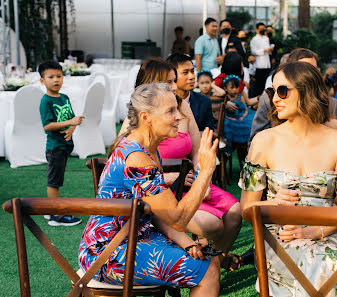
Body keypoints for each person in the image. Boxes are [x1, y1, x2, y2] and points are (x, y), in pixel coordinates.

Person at [79, 84, 221, 294]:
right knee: (207, 271)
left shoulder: (147, 151)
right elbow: (178, 218)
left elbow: (158, 213)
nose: (179, 117)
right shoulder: (138, 158)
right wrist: (207, 170)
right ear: (146, 117)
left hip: (134, 237)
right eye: (170, 111)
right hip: (108, 251)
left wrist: (188, 243)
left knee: (210, 258)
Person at [240, 61, 337, 296]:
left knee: (327, 263)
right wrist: (273, 203)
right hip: (276, 236)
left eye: (282, 91)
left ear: (306, 91)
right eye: (272, 91)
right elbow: (246, 208)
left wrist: (313, 232)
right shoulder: (264, 141)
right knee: (322, 266)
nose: (275, 98)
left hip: (326, 234)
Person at [249, 47, 337, 146]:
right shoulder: (269, 100)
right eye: (303, 69)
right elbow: (254, 142)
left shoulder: (330, 103)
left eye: (314, 69)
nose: (310, 74)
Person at [38, 60, 84, 226]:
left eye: (59, 76)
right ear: (42, 81)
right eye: (51, 77)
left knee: (57, 179)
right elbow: (48, 126)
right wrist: (70, 122)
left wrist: (72, 127)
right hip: (55, 148)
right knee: (54, 182)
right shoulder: (46, 101)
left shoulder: (64, 97)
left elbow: (69, 119)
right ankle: (56, 216)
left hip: (64, 147)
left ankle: (51, 209)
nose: (56, 80)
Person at [167, 54, 214, 131]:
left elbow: (209, 133)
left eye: (192, 71)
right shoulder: (163, 103)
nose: (191, 76)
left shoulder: (204, 102)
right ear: (172, 75)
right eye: (185, 72)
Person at [222, 75, 256, 152]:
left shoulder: (240, 97)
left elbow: (245, 108)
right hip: (230, 118)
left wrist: (243, 116)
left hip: (241, 117)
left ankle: (248, 146)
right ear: (226, 88)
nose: (235, 90)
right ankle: (229, 146)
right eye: (232, 87)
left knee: (250, 124)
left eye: (236, 87)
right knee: (227, 127)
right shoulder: (225, 98)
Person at [250, 22, 274, 97]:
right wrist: (264, 50)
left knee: (266, 83)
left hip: (267, 64)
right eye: (261, 29)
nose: (263, 30)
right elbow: (253, 51)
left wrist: (270, 49)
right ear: (257, 30)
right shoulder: (254, 39)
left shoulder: (266, 38)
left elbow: (268, 48)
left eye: (264, 29)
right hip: (259, 65)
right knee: (259, 85)